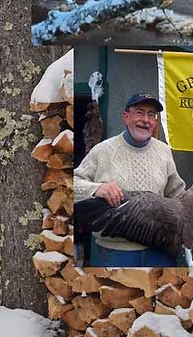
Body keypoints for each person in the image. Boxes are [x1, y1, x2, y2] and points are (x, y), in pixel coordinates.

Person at [74, 93, 185, 266]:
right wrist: (96, 189)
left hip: (160, 252)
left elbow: (177, 195)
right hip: (115, 254)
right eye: (139, 112)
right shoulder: (102, 151)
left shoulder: (164, 152)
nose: (145, 120)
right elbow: (70, 185)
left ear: (155, 121)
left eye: (151, 115)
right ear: (126, 117)